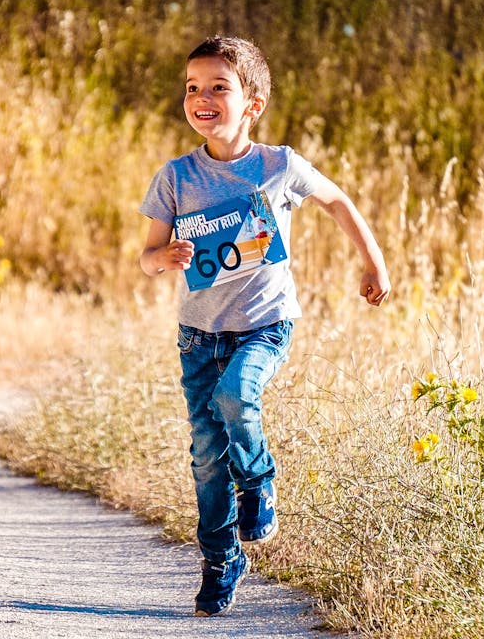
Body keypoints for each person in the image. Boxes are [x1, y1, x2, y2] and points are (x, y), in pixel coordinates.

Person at [139, 35, 391, 617]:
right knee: (205, 453)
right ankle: (221, 558)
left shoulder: (278, 165)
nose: (202, 98)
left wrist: (373, 261)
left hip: (265, 325)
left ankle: (258, 481)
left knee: (237, 396)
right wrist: (165, 259)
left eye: (218, 88)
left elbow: (337, 202)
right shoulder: (175, 178)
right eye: (192, 88)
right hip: (199, 335)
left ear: (251, 103)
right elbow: (147, 255)